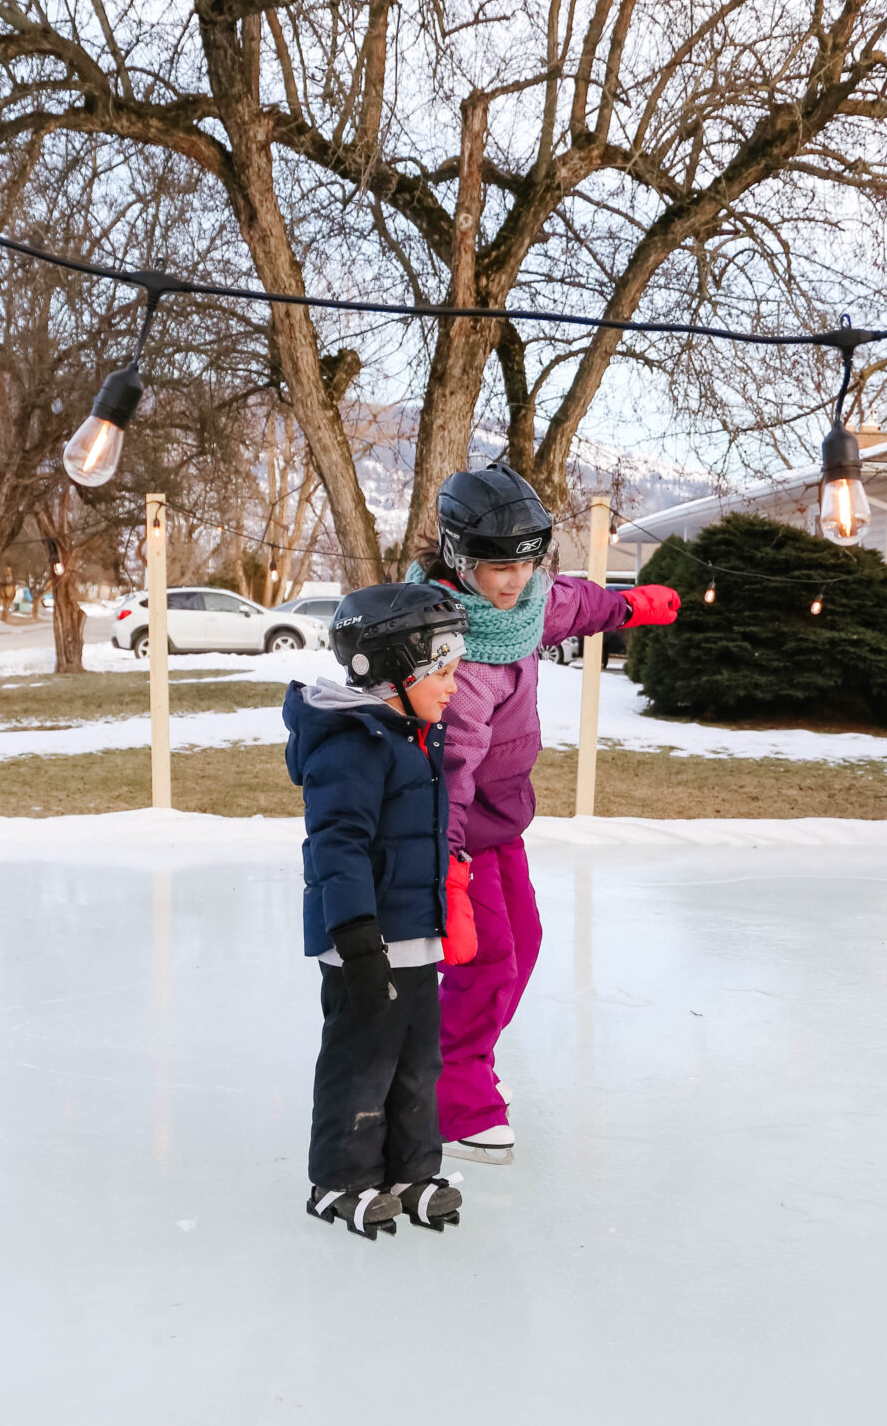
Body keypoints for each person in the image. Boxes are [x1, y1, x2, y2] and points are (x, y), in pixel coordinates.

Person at [410, 466, 681, 1163]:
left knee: (522, 944)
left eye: (526, 563)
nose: (514, 581)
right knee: (487, 959)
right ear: (459, 558)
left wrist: (630, 608)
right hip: (454, 828)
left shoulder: (527, 604)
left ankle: (441, 1058)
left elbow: (572, 602)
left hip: (502, 820)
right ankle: (454, 1092)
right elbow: (451, 764)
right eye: (498, 567)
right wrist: (445, 865)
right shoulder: (453, 648)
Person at [282, 582, 477, 1241]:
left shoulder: (413, 737)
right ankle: (339, 1181)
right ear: (394, 669)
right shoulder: (352, 742)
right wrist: (358, 938)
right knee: (361, 1064)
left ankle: (411, 1172)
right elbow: (338, 847)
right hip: (366, 943)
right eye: (443, 672)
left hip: (416, 937)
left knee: (418, 1064)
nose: (454, 686)